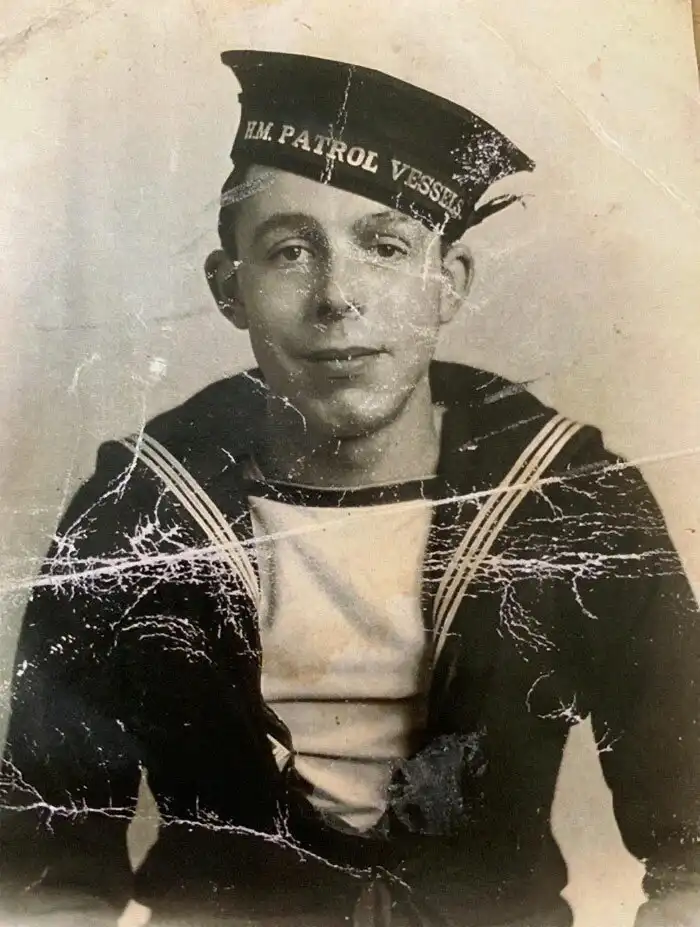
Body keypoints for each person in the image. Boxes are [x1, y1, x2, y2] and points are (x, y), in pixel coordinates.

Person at [1, 50, 699, 927]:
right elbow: (44, 871)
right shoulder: (140, 508)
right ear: (229, 288)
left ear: (450, 282)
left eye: (386, 246)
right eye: (290, 250)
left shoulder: (567, 494)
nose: (338, 296)